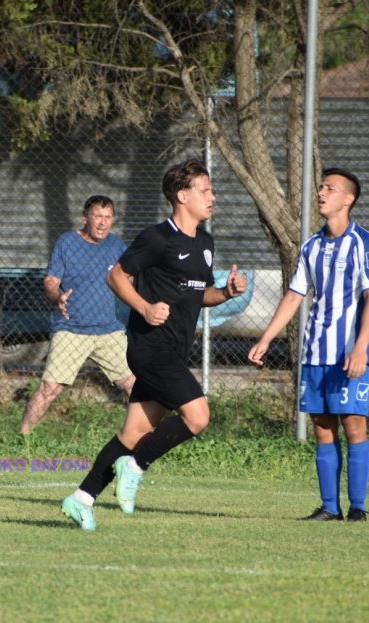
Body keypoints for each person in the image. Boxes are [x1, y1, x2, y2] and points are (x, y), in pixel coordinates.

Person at [61, 159, 247, 531]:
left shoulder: (205, 243)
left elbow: (198, 296)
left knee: (133, 434)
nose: (212, 197)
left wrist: (225, 292)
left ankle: (81, 498)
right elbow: (116, 276)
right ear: (182, 195)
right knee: (198, 417)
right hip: (149, 348)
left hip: (175, 349)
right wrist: (144, 307)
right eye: (205, 190)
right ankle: (135, 465)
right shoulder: (157, 237)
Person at [248, 167, 369, 523]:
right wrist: (266, 338)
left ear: (348, 198)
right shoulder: (311, 245)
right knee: (323, 428)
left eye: (330, 188)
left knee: (354, 425)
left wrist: (360, 346)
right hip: (315, 352)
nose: (321, 192)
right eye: (321, 187)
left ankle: (358, 507)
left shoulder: (363, 244)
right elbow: (295, 296)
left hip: (349, 353)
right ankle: (329, 507)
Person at [20, 195, 135, 435]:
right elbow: (51, 281)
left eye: (108, 217)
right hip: (71, 328)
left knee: (135, 386)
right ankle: (23, 438)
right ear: (85, 217)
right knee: (50, 388)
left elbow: (129, 279)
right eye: (97, 216)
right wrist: (57, 296)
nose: (103, 223)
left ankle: (140, 441)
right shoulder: (67, 243)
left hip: (109, 330)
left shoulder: (117, 246)